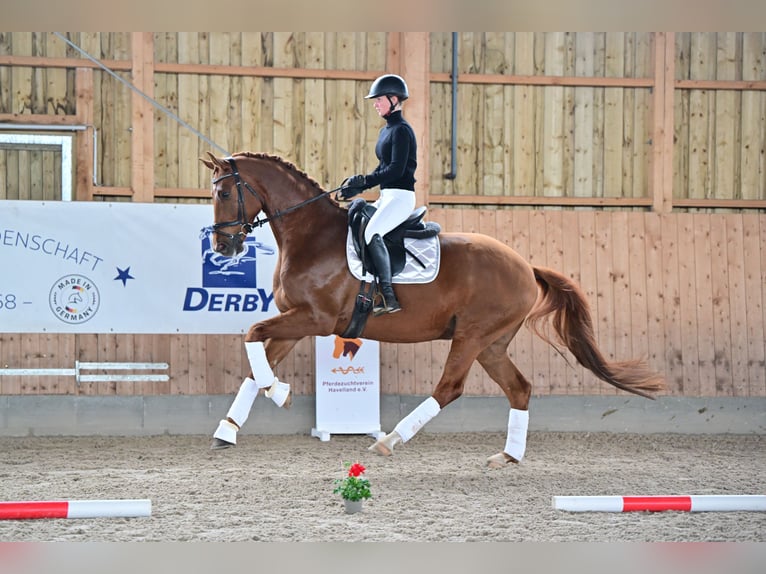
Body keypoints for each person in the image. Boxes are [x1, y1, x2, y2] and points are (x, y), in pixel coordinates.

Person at [341, 73, 417, 315]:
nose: (375, 104)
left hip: (401, 197)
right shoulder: (387, 130)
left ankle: (388, 296)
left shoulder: (402, 131)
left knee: (373, 231)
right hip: (387, 196)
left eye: (378, 100)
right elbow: (383, 167)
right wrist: (360, 184)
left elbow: (395, 169)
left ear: (393, 99)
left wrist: (366, 181)